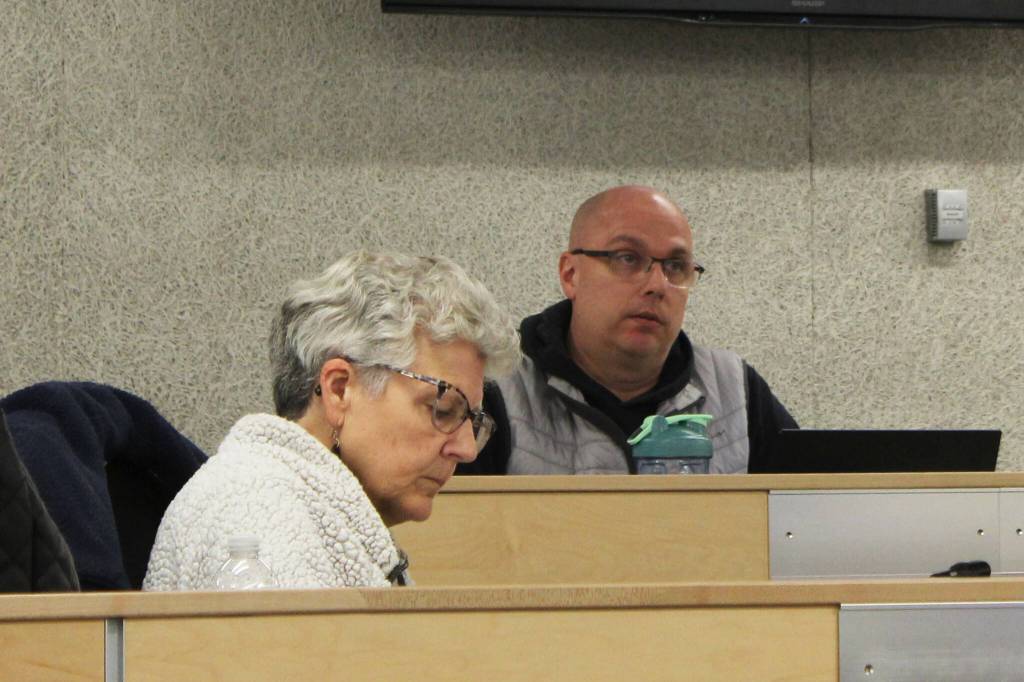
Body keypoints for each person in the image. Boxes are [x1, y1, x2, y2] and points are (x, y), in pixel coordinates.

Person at [144, 250, 520, 590]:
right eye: (443, 409)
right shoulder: (260, 519)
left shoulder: (305, 512)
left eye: (473, 421)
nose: (467, 449)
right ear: (340, 389)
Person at [462, 185, 796, 475]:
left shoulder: (735, 390)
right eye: (627, 258)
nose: (657, 285)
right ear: (570, 274)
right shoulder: (495, 387)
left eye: (676, 267)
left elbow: (809, 517)